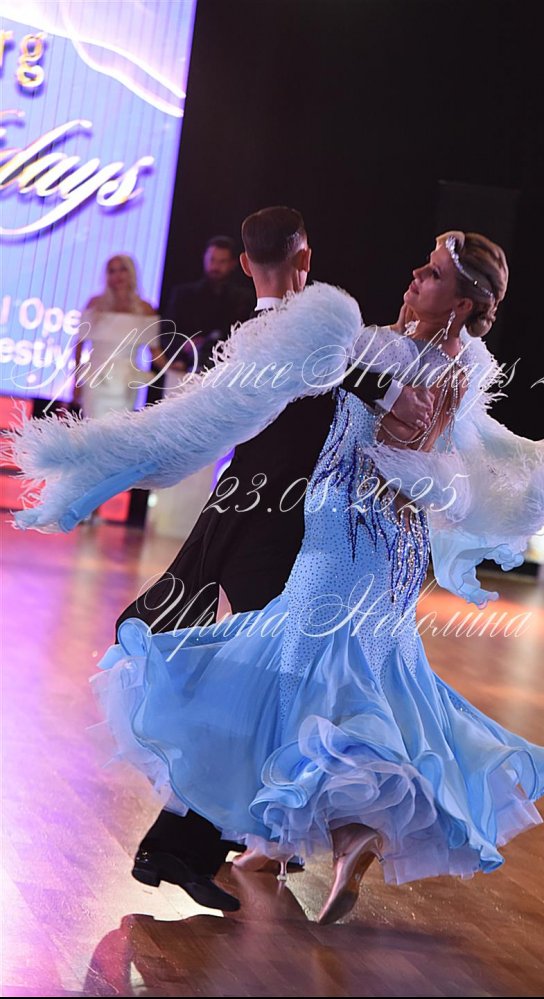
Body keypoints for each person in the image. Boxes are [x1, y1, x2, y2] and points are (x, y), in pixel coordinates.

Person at [9, 227, 544, 924]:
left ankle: (328, 832)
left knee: (287, 677)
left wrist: (350, 366)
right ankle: (288, 835)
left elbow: (362, 409)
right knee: (348, 681)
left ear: (460, 304)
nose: (414, 275)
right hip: (393, 551)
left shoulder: (392, 354)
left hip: (345, 539)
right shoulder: (445, 360)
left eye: (432, 274)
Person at [117, 206, 435, 910]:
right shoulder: (312, 335)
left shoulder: (252, 334)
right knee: (251, 681)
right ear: (305, 259)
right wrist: (395, 394)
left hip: (242, 513)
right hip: (277, 527)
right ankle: (190, 842)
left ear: (246, 263)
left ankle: (205, 842)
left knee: (251, 679)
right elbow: (343, 373)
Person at [73, 254, 161, 419]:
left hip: (125, 381)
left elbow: (155, 351)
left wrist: (177, 369)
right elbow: (78, 345)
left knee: (118, 427)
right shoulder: (94, 304)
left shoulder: (146, 309)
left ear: (131, 272)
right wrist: (75, 381)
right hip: (96, 378)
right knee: (92, 425)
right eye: (112, 271)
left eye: (122, 270)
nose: (118, 276)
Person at [160, 235, 254, 377]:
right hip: (183, 371)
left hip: (226, 373)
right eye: (212, 260)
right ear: (204, 258)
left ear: (233, 264)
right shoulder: (183, 295)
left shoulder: (243, 299)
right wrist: (185, 344)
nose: (215, 267)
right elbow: (165, 333)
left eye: (222, 261)